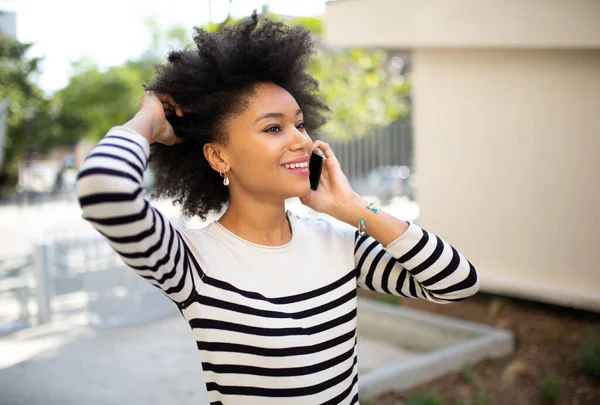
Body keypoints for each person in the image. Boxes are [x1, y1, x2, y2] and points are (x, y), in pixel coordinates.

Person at [76, 12, 480, 405]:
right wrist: (147, 120)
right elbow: (104, 190)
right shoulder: (190, 262)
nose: (301, 141)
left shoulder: (341, 243)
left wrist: (353, 207)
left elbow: (457, 283)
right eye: (273, 127)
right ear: (218, 157)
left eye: (300, 124)